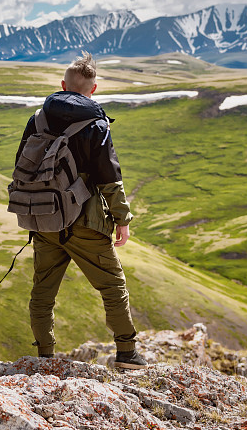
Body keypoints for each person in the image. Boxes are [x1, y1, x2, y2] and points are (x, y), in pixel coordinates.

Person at [14, 52, 147, 369]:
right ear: (94, 89)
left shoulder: (38, 119)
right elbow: (109, 179)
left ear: (62, 85)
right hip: (86, 221)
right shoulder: (96, 124)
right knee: (112, 286)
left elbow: (22, 164)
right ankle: (127, 353)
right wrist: (122, 220)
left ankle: (44, 355)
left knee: (43, 292)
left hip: (44, 217)